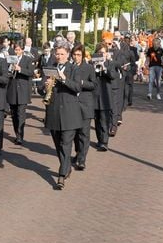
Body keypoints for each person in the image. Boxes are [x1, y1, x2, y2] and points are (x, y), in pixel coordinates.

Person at [44, 43, 84, 190]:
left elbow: (77, 87)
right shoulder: (50, 68)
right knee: (58, 144)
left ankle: (61, 176)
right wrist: (46, 86)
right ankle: (66, 167)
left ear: (68, 54)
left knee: (66, 144)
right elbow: (43, 89)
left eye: (62, 54)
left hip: (69, 112)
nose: (59, 56)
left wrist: (64, 79)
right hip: (54, 111)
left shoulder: (74, 69)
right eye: (57, 54)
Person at [71, 43, 96, 171]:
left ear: (83, 55)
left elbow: (93, 84)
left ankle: (82, 160)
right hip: (73, 105)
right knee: (75, 134)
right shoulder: (69, 68)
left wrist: (81, 82)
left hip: (85, 104)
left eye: (79, 55)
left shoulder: (89, 68)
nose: (76, 57)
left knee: (84, 134)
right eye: (74, 55)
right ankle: (78, 153)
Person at [6, 41, 34, 145]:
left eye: (18, 50)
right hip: (12, 89)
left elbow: (31, 73)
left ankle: (20, 136)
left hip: (22, 90)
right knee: (13, 114)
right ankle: (16, 133)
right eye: (15, 50)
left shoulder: (28, 59)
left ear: (22, 50)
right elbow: (7, 73)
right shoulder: (11, 59)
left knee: (21, 113)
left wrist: (20, 69)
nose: (16, 52)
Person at [92, 44, 114, 152]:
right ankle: (100, 139)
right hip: (95, 96)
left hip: (105, 96)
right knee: (97, 120)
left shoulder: (109, 64)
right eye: (100, 52)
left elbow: (112, 76)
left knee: (105, 120)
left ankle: (104, 142)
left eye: (104, 52)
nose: (102, 54)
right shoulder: (92, 64)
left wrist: (104, 67)